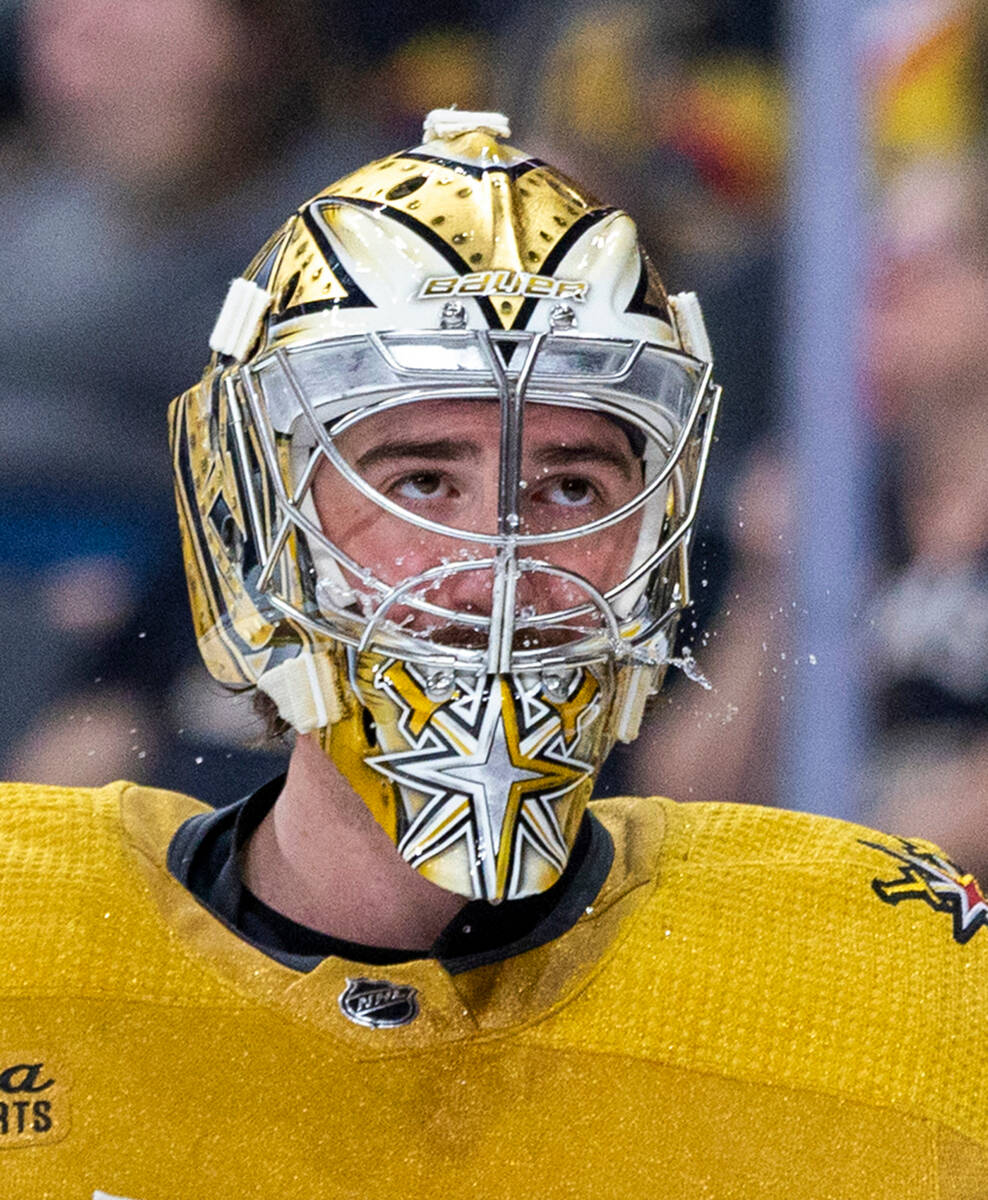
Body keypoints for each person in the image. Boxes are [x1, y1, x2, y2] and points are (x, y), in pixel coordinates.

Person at [1, 111, 985, 1196]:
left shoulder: (866, 974)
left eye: (571, 488)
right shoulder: (26, 931)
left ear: (655, 539)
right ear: (258, 521)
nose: (499, 569)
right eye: (421, 482)